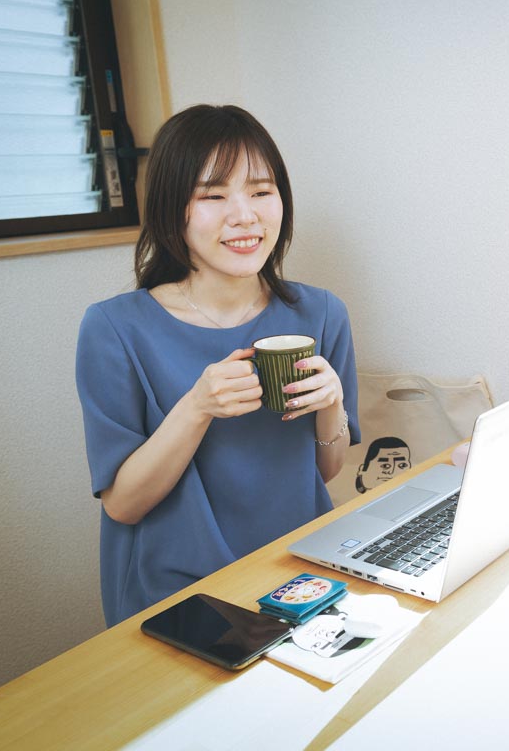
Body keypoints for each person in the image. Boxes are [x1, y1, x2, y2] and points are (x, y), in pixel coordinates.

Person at [76, 105, 360, 627]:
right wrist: (197, 407)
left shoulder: (321, 313)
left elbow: (324, 470)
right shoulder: (115, 328)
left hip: (298, 575)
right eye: (212, 196)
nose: (245, 215)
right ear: (172, 209)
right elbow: (122, 505)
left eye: (261, 191)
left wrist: (332, 404)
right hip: (177, 596)